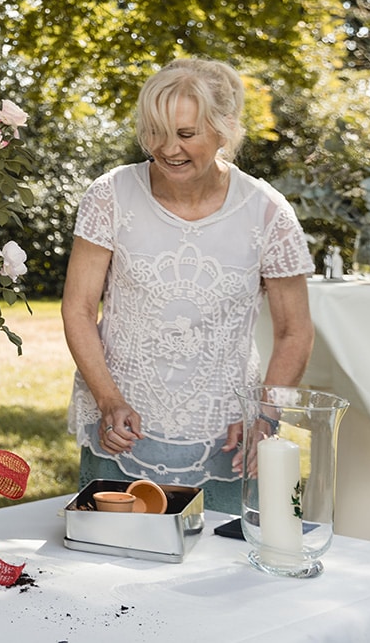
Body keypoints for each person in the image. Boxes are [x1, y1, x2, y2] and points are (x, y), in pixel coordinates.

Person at [61, 57, 315, 514]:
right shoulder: (110, 195)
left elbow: (294, 331)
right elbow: (78, 308)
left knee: (216, 576)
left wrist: (266, 415)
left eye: (185, 133)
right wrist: (107, 399)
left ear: (224, 129)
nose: (167, 148)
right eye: (155, 132)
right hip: (119, 431)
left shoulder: (268, 213)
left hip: (225, 438)